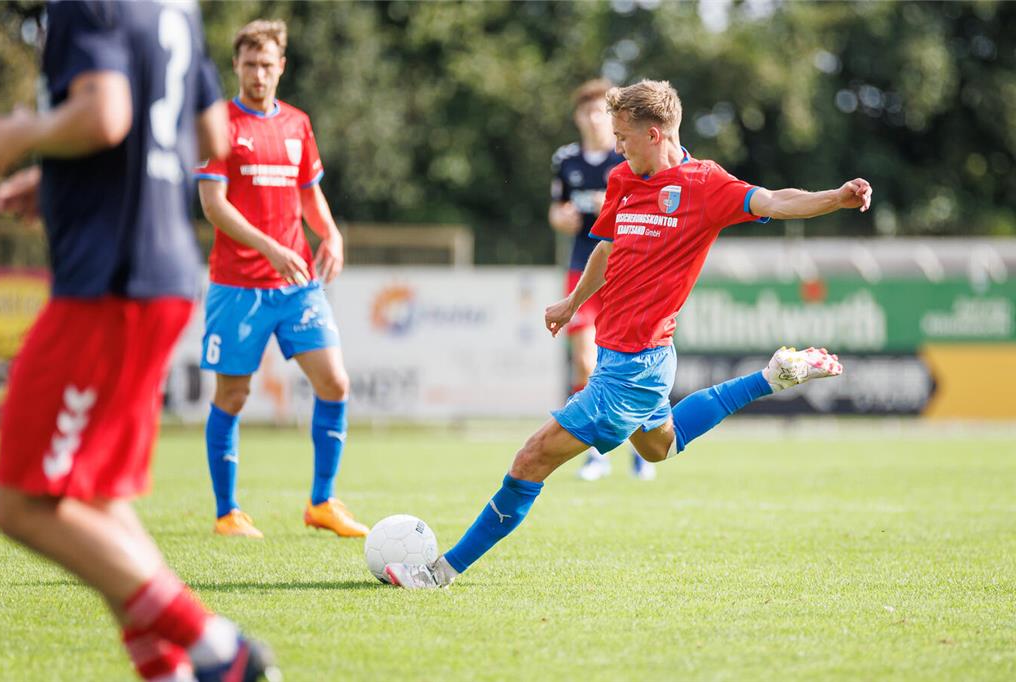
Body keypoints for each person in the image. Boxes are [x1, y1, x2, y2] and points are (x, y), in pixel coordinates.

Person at [383, 79, 870, 589]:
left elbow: (775, 200)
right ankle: (769, 378)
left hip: (634, 366)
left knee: (531, 459)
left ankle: (439, 574)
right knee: (659, 447)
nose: (616, 146)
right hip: (645, 356)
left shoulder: (705, 186)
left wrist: (836, 198)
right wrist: (573, 304)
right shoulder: (623, 178)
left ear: (656, 133)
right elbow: (606, 249)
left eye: (623, 136)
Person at [0, 2, 280, 680]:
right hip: (160, 273)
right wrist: (66, 178)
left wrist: (20, 131)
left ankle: (218, 649)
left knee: (22, 503)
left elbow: (106, 114)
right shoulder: (173, 7)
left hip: (109, 284)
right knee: (93, 500)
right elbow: (212, 132)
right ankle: (170, 670)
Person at [195, 19, 367, 539]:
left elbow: (309, 193)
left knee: (335, 382)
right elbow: (212, 205)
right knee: (233, 396)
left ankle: (322, 503)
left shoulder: (297, 123)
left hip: (296, 285)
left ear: (281, 66)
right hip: (238, 285)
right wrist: (269, 246)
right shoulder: (218, 124)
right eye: (250, 64)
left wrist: (330, 235)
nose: (259, 74)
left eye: (267, 64)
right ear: (237, 66)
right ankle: (228, 512)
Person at [551, 78, 655, 482]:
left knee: (631, 361)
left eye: (601, 112)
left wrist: (605, 206)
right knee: (585, 361)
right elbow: (556, 210)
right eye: (588, 111)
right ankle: (597, 452)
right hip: (583, 266)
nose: (595, 119)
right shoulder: (566, 159)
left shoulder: (625, 154)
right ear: (578, 116)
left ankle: (642, 447)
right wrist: (562, 218)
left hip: (624, 270)